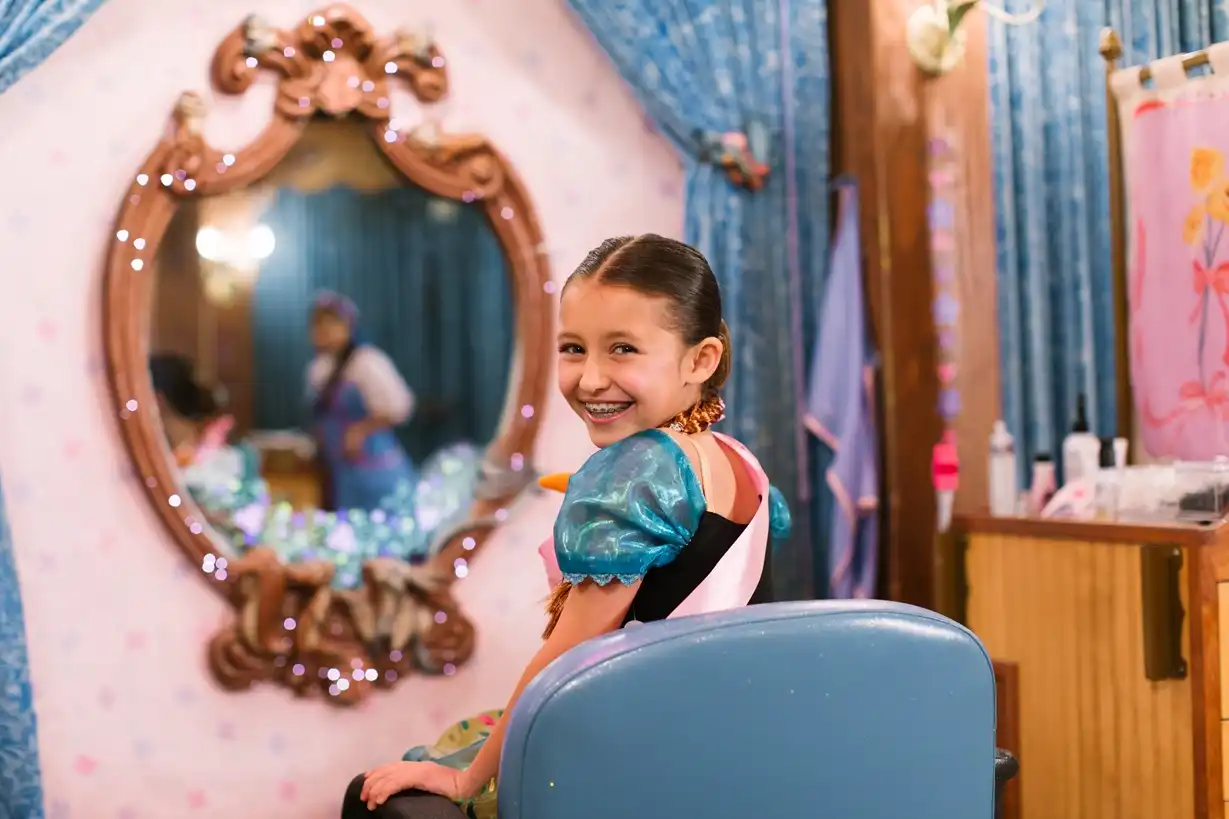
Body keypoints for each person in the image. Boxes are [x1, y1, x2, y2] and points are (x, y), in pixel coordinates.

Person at [340, 235, 791, 819]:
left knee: (377, 792)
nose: (591, 379)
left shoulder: (638, 471)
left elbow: (568, 655)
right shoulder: (735, 459)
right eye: (574, 348)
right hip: (735, 752)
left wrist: (467, 780)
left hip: (645, 767)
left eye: (623, 349)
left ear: (700, 360)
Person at [308, 291, 417, 512]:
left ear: (348, 326)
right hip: (341, 471)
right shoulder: (318, 368)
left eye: (331, 324)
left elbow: (400, 407)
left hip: (374, 466)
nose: (324, 332)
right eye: (318, 325)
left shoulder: (366, 362)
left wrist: (362, 430)